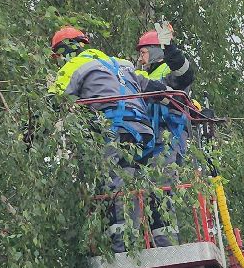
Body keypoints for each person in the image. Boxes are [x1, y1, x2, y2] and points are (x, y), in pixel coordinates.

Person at [47, 26, 164, 252]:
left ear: (64, 51)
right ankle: (141, 244)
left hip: (114, 131)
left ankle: (120, 249)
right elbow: (157, 89)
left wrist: (27, 134)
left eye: (58, 56)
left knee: (113, 187)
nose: (59, 61)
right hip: (143, 132)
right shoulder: (120, 64)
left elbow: (51, 103)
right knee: (135, 186)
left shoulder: (73, 66)